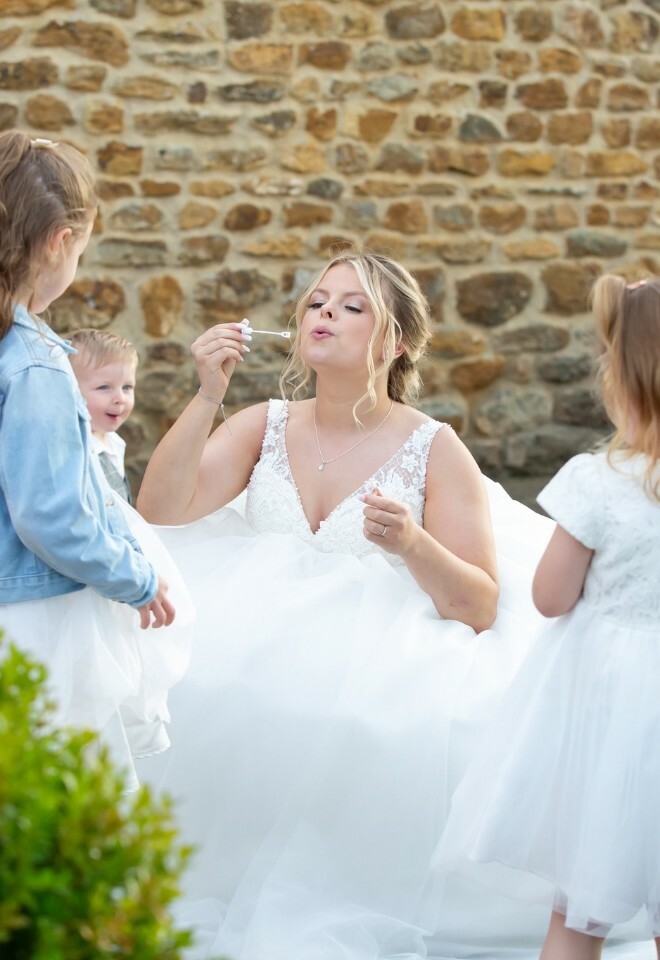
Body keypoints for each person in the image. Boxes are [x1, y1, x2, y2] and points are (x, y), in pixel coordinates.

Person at [136, 250, 556, 959]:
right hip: (257, 621)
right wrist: (207, 393)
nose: (323, 312)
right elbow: (162, 510)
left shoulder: (434, 447)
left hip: (383, 643)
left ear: (393, 344)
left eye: (350, 306)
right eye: (316, 302)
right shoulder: (260, 423)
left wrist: (412, 543)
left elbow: (478, 605)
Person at [434, 275, 660, 960]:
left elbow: (550, 597)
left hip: (611, 704)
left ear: (617, 375)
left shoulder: (600, 480)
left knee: (579, 904)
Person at [0, 131, 191, 791]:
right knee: (68, 803)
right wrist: (135, 578)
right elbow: (50, 515)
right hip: (34, 622)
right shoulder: (34, 364)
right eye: (81, 249)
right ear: (59, 242)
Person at [69, 328, 138, 504]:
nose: (120, 399)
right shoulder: (77, 450)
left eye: (127, 387)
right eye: (104, 387)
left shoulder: (113, 441)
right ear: (71, 391)